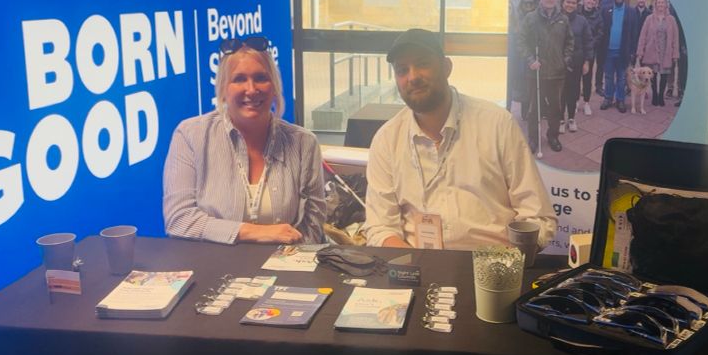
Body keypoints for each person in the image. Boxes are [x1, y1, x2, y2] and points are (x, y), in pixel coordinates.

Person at [362, 29, 556, 250]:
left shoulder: (497, 124)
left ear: (446, 67)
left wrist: (501, 266)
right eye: (402, 70)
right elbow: (380, 228)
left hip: (495, 269)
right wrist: (419, 267)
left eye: (422, 64)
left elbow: (538, 218)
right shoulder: (387, 139)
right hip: (417, 270)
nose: (413, 77)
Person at [163, 37, 326, 245]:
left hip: (284, 267)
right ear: (223, 89)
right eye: (239, 79)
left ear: (274, 87)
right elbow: (178, 219)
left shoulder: (304, 143)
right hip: (211, 268)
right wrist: (253, 232)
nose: (251, 89)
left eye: (261, 78)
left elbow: (313, 227)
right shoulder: (190, 135)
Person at [520, 0, 573, 153]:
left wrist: (564, 60)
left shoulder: (563, 19)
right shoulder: (530, 18)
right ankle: (534, 139)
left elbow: (570, 42)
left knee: (555, 109)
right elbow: (521, 41)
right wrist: (530, 60)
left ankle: (553, 136)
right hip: (536, 73)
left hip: (557, 74)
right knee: (534, 109)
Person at [599, 0, 640, 113]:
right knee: (609, 77)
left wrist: (633, 51)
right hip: (608, 51)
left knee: (622, 78)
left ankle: (620, 100)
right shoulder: (606, 10)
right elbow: (601, 30)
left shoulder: (631, 11)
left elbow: (634, 33)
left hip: (623, 52)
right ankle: (608, 98)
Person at [559, 0, 594, 133]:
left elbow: (588, 42)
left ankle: (571, 118)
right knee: (560, 91)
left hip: (577, 60)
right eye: (568, 2)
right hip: (559, 61)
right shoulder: (556, 19)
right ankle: (561, 119)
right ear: (562, 3)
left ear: (577, 4)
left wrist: (587, 61)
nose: (570, 5)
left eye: (573, 3)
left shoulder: (582, 21)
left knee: (573, 92)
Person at [636, 0, 680, 107]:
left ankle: (661, 96)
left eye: (662, 3)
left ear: (666, 5)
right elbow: (643, 36)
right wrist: (640, 51)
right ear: (655, 5)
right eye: (658, 3)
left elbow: (675, 38)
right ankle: (655, 94)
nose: (660, 5)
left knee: (664, 75)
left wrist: (675, 53)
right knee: (653, 74)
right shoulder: (649, 18)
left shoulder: (671, 19)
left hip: (666, 51)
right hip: (652, 50)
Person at [579, 0, 606, 116]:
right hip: (576, 50)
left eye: (593, 0)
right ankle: (574, 102)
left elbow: (600, 33)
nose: (590, 1)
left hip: (589, 51)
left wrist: (590, 45)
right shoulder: (577, 13)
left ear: (596, 3)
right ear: (584, 0)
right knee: (574, 78)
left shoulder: (598, 16)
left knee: (587, 77)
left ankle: (586, 103)